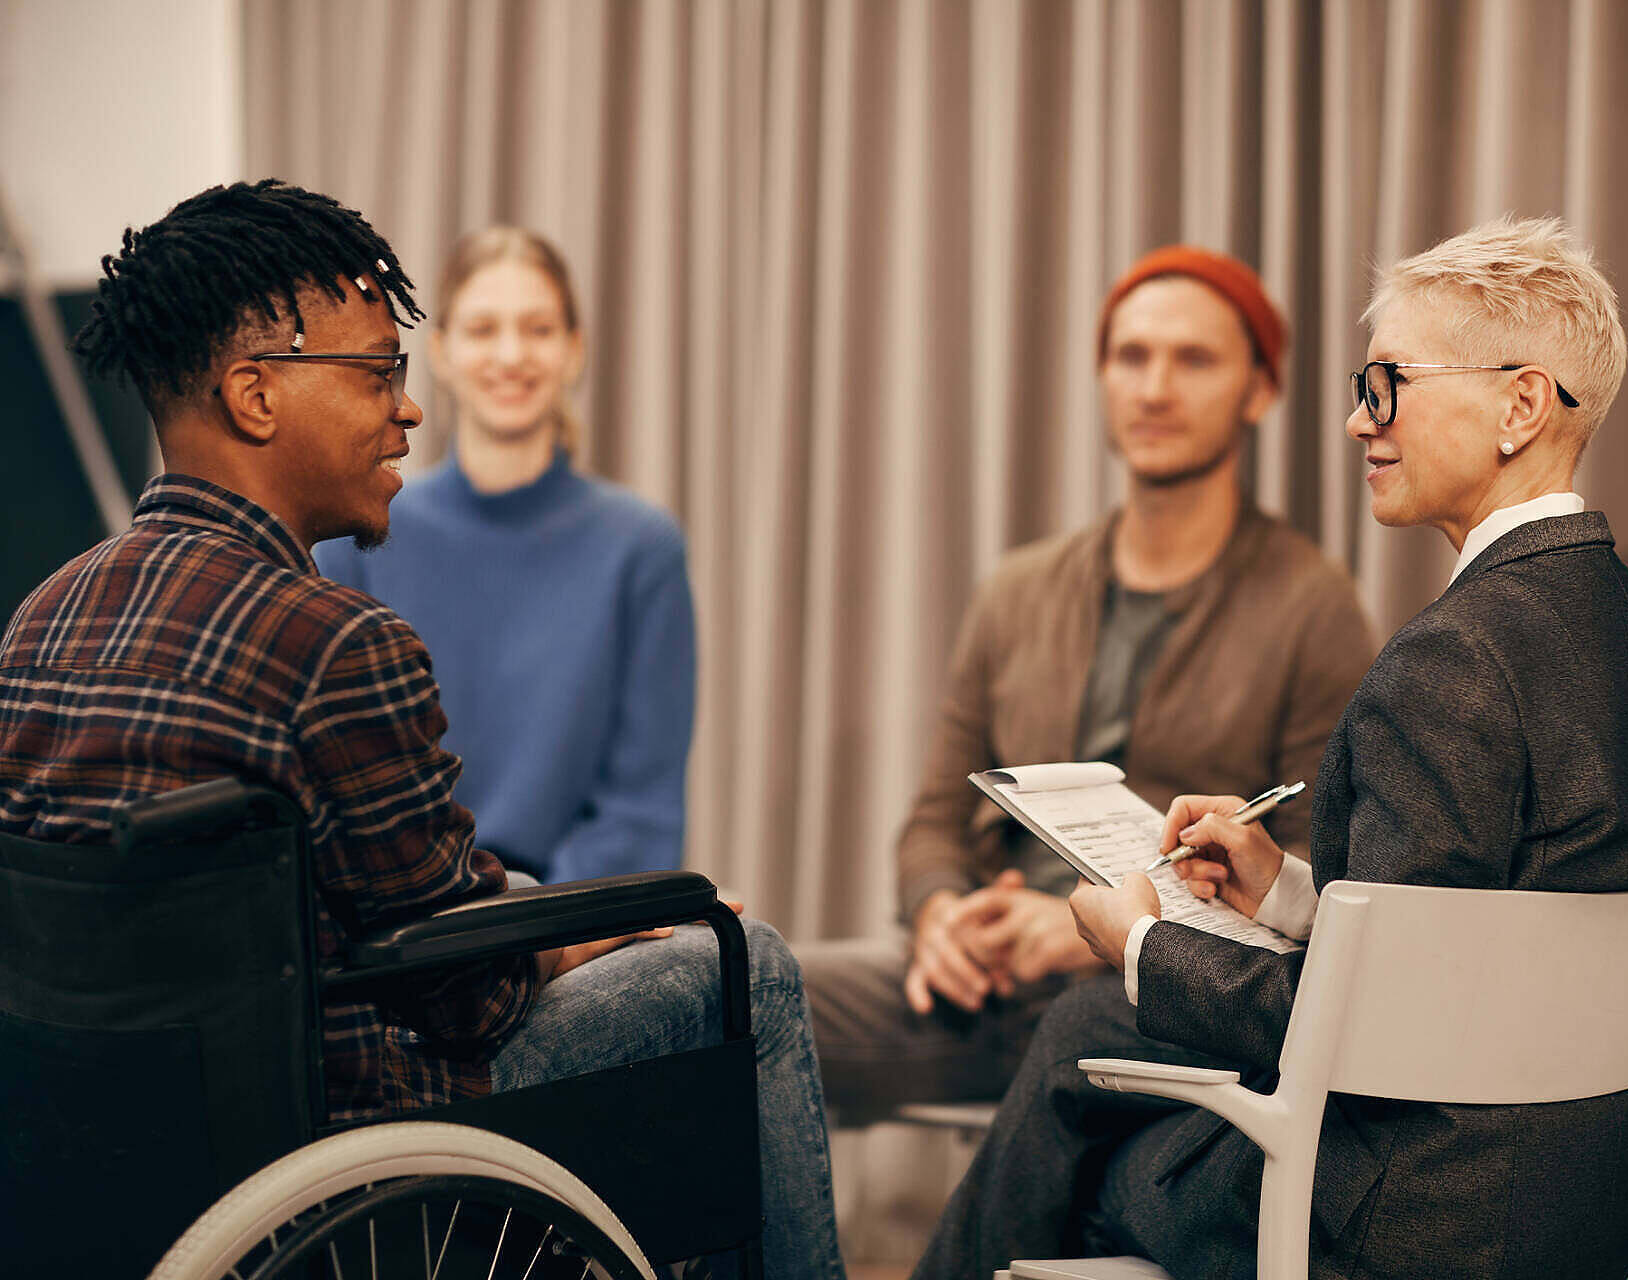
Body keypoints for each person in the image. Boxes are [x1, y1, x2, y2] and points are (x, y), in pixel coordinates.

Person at [0, 181, 842, 1280]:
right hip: (346, 1145)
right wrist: (588, 928)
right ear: (256, 394)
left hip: (106, 1163)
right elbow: (469, 994)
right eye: (379, 371)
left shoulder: (37, 619)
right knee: (749, 964)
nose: (408, 408)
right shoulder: (333, 639)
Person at [912, 215, 1628, 1280]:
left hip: (1397, 1219)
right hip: (1570, 1211)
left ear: (1520, 406)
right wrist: (1287, 890)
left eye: (1387, 384)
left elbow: (1373, 1029)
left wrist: (1142, 943)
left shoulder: (1447, 661)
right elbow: (1478, 931)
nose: (1356, 419)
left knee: (1085, 1160)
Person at [796, 246, 1375, 1118]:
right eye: (1132, 356)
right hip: (977, 989)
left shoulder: (1312, 607)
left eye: (1194, 359)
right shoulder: (1018, 590)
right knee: (739, 994)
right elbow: (932, 821)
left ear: (1259, 391)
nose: (1155, 387)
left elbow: (1309, 876)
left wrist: (1101, 934)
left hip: (1152, 1003)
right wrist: (939, 917)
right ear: (1102, 376)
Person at [315, 227, 693, 884]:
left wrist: (536, 931)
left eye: (538, 329)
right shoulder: (357, 538)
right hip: (413, 924)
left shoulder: (642, 550)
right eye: (485, 329)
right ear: (441, 353)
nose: (511, 354)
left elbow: (641, 813)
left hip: (578, 926)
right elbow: (341, 791)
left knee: (753, 953)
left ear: (574, 351)